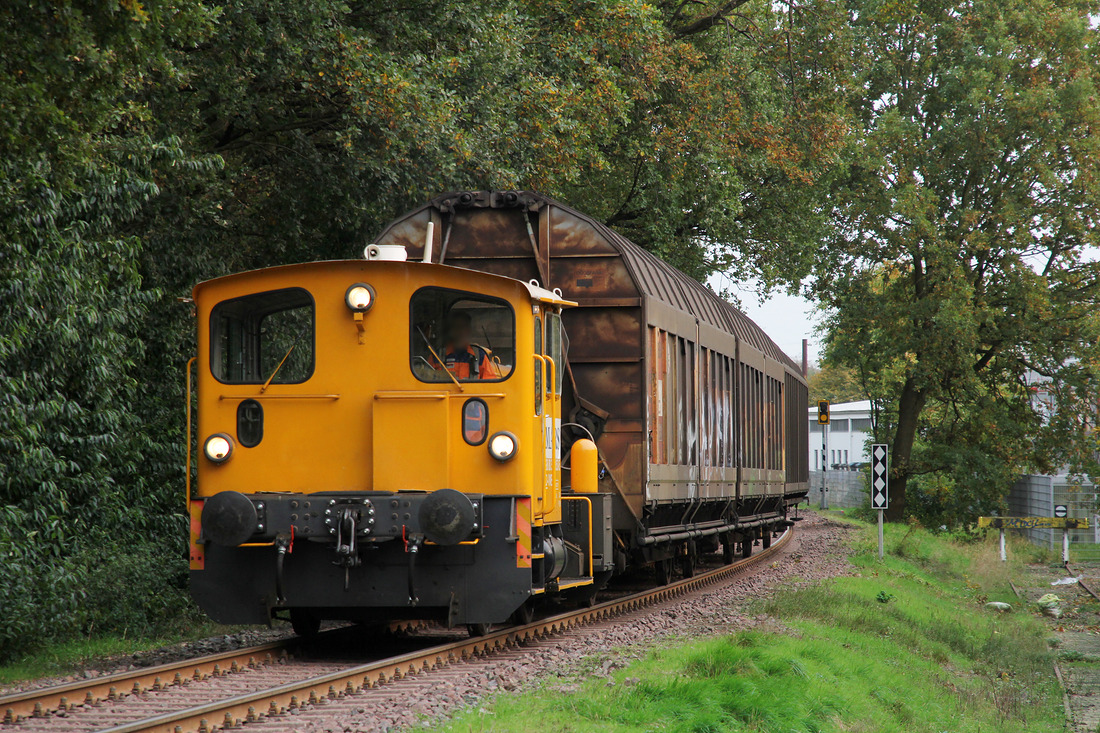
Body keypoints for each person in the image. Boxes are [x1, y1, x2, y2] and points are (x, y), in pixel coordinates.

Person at [442, 311, 497, 380]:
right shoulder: (437, 356)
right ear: (450, 330)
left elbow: (490, 383)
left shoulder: (479, 356)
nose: (460, 331)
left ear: (469, 330)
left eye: (463, 327)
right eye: (456, 327)